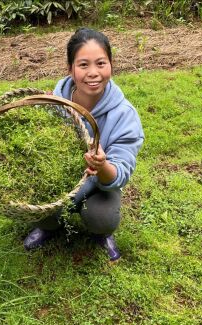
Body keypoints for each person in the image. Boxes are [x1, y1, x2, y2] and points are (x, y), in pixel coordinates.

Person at [23, 28, 144, 262]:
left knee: (102, 218)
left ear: (111, 65)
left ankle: (101, 233)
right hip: (57, 179)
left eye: (101, 63)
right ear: (70, 69)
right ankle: (48, 226)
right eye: (83, 65)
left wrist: (102, 166)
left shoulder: (124, 115)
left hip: (99, 186)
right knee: (37, 204)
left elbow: (122, 171)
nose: (93, 73)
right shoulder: (55, 102)